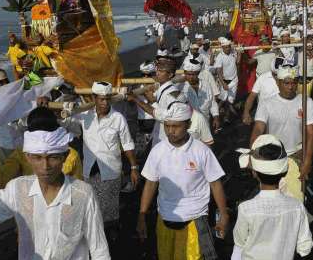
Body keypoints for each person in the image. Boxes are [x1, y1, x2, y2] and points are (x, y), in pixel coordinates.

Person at [0, 107, 111, 259]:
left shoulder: (83, 192)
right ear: (28, 157)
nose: (45, 166)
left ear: (63, 156)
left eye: (53, 157)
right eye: (38, 158)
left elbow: (99, 248)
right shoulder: (17, 188)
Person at [137, 102, 228, 260]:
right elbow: (151, 184)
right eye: (167, 126)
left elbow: (215, 183)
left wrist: (224, 215)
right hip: (164, 218)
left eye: (176, 126)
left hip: (195, 221)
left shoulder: (202, 151)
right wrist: (142, 215)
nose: (170, 131)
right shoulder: (157, 151)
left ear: (189, 125)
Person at [63, 82, 139, 239]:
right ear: (94, 99)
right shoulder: (84, 116)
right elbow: (66, 124)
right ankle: (94, 233)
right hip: (90, 169)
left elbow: (127, 143)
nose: (104, 103)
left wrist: (133, 167)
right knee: (91, 204)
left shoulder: (117, 118)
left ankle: (111, 232)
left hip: (110, 169)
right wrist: (66, 110)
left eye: (107, 99)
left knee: (110, 206)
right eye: (101, 99)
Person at [232, 135, 313, 260]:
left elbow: (239, 242)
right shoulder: (297, 207)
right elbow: (304, 247)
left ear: (254, 173)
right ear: (284, 172)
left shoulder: (246, 209)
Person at [250, 66, 313, 201]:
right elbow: (258, 129)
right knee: (272, 197)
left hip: (297, 155)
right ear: (278, 82)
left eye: (294, 83)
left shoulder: (306, 102)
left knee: (296, 197)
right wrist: (253, 156)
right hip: (272, 156)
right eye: (286, 83)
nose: (291, 87)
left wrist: (308, 160)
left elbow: (311, 133)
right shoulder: (266, 103)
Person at [180, 57, 219, 139]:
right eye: (188, 74)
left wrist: (216, 117)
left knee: (206, 146)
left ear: (198, 73)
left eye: (193, 74)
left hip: (205, 122)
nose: (190, 77)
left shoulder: (206, 85)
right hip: (188, 125)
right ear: (184, 73)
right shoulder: (180, 87)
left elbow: (212, 102)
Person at [242, 57, 283, 125]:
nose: (276, 76)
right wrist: (246, 113)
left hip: (281, 117)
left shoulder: (287, 79)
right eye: (275, 74)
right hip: (263, 117)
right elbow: (252, 96)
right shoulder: (262, 78)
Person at [213, 37, 241, 120]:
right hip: (225, 81)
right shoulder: (219, 57)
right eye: (226, 47)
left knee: (230, 100)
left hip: (234, 80)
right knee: (223, 99)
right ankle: (215, 113)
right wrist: (223, 83)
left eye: (229, 46)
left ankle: (226, 117)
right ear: (222, 47)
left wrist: (239, 53)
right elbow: (218, 71)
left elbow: (238, 62)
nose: (228, 48)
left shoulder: (233, 52)